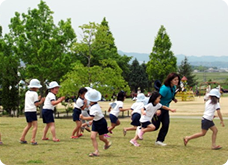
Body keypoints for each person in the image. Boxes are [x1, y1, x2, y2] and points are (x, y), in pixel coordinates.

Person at [80, 89, 111, 157]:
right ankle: (96, 151)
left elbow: (91, 117)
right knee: (92, 137)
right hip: (96, 122)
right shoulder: (93, 105)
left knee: (101, 138)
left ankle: (107, 143)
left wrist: (83, 118)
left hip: (101, 123)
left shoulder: (94, 107)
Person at [152, 72, 180, 146]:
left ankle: (159, 141)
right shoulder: (164, 88)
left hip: (165, 109)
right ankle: (140, 129)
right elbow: (158, 99)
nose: (177, 81)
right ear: (170, 80)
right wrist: (157, 109)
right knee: (155, 127)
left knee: (166, 125)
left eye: (177, 80)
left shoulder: (173, 87)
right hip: (159, 108)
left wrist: (173, 99)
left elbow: (171, 94)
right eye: (175, 80)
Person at [20, 79, 45, 145]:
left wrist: (37, 99)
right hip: (32, 111)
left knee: (29, 125)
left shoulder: (27, 93)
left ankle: (22, 138)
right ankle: (33, 139)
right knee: (35, 126)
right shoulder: (35, 93)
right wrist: (41, 102)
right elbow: (36, 104)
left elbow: (31, 101)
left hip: (27, 110)